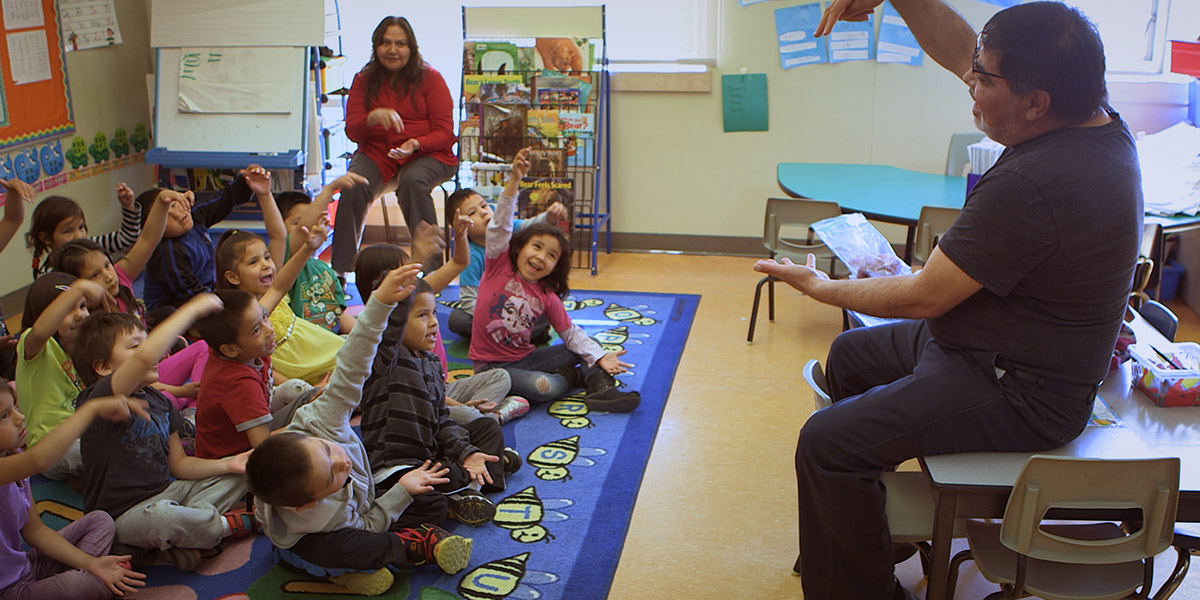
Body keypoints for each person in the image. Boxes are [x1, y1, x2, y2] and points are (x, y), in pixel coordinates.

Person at [753, 2, 1143, 599]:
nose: (970, 84)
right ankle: (867, 531)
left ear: (1036, 101)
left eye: (983, 80)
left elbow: (925, 295)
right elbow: (965, 48)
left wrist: (824, 287)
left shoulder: (1038, 181)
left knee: (827, 443)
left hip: (1021, 389)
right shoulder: (1087, 112)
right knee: (850, 357)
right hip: (985, 340)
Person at [245, 265, 474, 596]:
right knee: (346, 547)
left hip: (359, 504)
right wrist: (400, 496)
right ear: (309, 503)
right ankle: (411, 548)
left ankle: (357, 572)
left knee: (426, 499)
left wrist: (379, 303)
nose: (344, 462)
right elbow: (366, 524)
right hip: (312, 541)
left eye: (328, 451)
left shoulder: (323, 420)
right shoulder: (316, 516)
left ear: (310, 436)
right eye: (331, 476)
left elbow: (353, 365)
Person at [70, 295, 259, 572]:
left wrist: (229, 464)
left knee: (241, 472)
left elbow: (180, 465)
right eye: (136, 346)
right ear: (104, 367)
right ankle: (223, 526)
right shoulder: (96, 403)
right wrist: (191, 310)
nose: (153, 351)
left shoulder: (158, 401)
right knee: (163, 518)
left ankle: (181, 537)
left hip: (170, 491)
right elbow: (147, 357)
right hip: (124, 516)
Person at [468, 148, 640, 412]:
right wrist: (514, 180)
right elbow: (500, 225)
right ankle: (576, 376)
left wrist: (602, 355)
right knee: (546, 388)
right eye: (536, 247)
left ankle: (600, 385)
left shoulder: (546, 295)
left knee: (583, 347)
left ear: (555, 267)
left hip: (525, 359)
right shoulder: (499, 264)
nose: (541, 257)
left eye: (551, 256)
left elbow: (570, 333)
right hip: (491, 369)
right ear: (519, 247)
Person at [359, 276, 520, 528]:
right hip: (395, 469)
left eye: (434, 312)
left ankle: (474, 481)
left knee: (487, 427)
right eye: (422, 315)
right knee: (436, 492)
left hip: (429, 456)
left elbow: (442, 421)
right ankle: (470, 485)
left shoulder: (431, 365)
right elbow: (381, 330)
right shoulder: (384, 359)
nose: (434, 322)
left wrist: (468, 453)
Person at [330, 15, 457, 276]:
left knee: (413, 180)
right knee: (353, 185)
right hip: (378, 153)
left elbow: (445, 133)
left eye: (400, 44)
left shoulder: (431, 78)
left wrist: (416, 143)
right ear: (376, 47)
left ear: (411, 47)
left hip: (429, 154)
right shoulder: (363, 79)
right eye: (386, 43)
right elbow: (353, 131)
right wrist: (371, 119)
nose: (392, 50)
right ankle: (340, 273)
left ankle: (432, 273)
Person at [0, 383, 147, 599]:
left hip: (26, 569)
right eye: (4, 416)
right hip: (7, 592)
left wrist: (93, 564)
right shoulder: (18, 464)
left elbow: (37, 533)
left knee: (100, 520)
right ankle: (90, 580)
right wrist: (92, 409)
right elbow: (39, 459)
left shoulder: (13, 457)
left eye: (15, 407)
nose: (20, 417)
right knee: (77, 585)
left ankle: (91, 576)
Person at [215, 167, 342, 385]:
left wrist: (264, 194)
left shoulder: (272, 291)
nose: (266, 265)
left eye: (266, 257)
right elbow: (265, 368)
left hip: (321, 351)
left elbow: (277, 237)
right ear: (233, 277)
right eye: (253, 262)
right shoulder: (251, 313)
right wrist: (308, 389)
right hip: (302, 373)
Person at [191, 289, 316, 459]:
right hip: (235, 459)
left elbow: (278, 287)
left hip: (257, 422)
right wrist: (311, 420)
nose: (269, 329)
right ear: (230, 349)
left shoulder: (240, 344)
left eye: (264, 316)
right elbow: (262, 444)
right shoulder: (239, 383)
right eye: (256, 330)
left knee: (304, 392)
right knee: (317, 428)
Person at [444, 187, 565, 343]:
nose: (483, 212)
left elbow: (532, 226)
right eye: (472, 213)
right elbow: (468, 300)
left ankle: (520, 332)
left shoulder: (508, 228)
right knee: (457, 320)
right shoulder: (472, 256)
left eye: (484, 205)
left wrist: (549, 217)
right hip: (494, 312)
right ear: (463, 228)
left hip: (525, 303)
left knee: (554, 299)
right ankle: (522, 333)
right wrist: (497, 317)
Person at [16, 275, 107, 480]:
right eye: (67, 309)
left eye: (83, 306)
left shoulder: (82, 350)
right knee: (91, 449)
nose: (80, 315)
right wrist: (79, 288)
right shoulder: (35, 346)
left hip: (85, 432)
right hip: (49, 445)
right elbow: (39, 332)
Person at [139, 168, 255, 313]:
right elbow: (191, 295)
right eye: (166, 216)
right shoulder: (166, 253)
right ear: (153, 230)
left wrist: (246, 181)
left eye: (174, 205)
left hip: (206, 294)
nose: (177, 213)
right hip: (176, 314)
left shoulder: (193, 215)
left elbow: (225, 200)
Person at [274, 176, 366, 333]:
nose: (309, 229)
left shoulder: (325, 270)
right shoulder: (281, 259)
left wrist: (368, 335)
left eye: (315, 222)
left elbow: (338, 317)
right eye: (297, 223)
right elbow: (303, 229)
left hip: (330, 340)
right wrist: (330, 189)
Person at [26, 183, 142, 279]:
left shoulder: (91, 246)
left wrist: (129, 207)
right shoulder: (50, 275)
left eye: (81, 227)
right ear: (46, 238)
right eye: (67, 231)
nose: (78, 236)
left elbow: (128, 237)